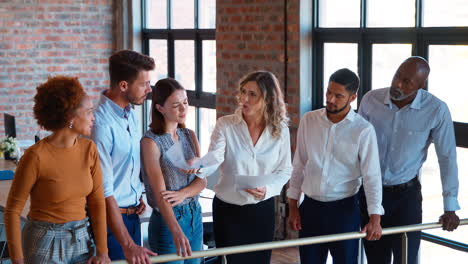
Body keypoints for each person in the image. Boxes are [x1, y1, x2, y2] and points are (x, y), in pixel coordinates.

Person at [358, 56, 460, 264]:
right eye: (397, 76)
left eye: (407, 81)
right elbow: (355, 148)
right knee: (376, 259)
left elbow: (447, 158)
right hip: (369, 195)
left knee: (407, 258)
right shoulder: (370, 100)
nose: (397, 84)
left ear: (421, 86)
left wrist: (450, 206)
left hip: (406, 198)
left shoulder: (436, 110)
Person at [4, 76, 110, 264]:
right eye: (89, 112)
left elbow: (97, 202)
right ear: (70, 116)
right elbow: (12, 210)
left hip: (81, 240)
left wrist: (102, 251)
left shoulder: (89, 149)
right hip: (43, 242)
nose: (93, 117)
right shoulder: (35, 156)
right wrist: (17, 260)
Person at [287, 69, 384, 264]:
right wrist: (293, 206)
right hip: (310, 208)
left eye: (338, 96)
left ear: (353, 97)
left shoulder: (363, 130)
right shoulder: (309, 120)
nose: (330, 99)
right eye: (328, 92)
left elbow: (371, 176)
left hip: (344, 211)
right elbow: (299, 164)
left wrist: (375, 218)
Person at [196, 71, 292, 264]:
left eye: (252, 94)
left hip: (262, 210)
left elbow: (285, 170)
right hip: (228, 210)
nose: (244, 99)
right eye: (243, 92)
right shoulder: (225, 124)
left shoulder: (280, 130)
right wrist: (197, 167)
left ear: (268, 98)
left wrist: (268, 190)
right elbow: (215, 157)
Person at [91, 50, 157, 263]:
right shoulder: (101, 125)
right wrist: (128, 245)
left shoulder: (130, 113)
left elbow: (127, 165)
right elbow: (104, 191)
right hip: (109, 222)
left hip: (131, 216)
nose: (149, 89)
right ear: (123, 86)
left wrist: (135, 194)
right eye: (144, 84)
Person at [141, 78, 207, 264]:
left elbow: (202, 181)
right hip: (168, 220)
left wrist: (183, 194)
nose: (183, 109)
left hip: (194, 214)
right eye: (176, 105)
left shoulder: (189, 135)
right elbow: (160, 193)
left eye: (185, 102)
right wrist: (176, 230)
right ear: (160, 108)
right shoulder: (151, 142)